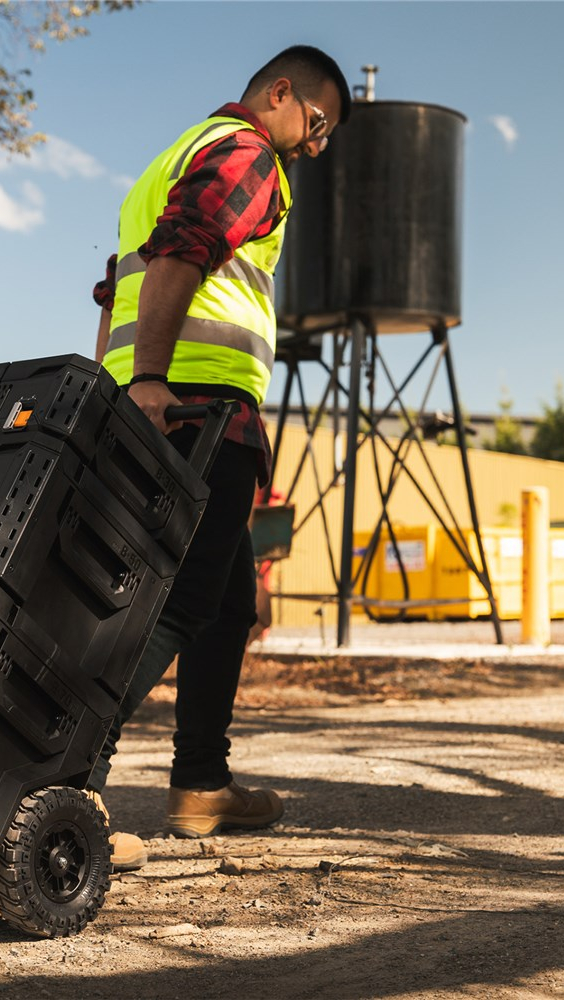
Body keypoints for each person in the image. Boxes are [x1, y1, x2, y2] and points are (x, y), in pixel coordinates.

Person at [88, 45, 350, 870]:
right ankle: (58, 776)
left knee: (229, 598)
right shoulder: (246, 154)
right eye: (316, 123)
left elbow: (111, 294)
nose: (316, 146)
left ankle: (201, 783)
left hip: (165, 404)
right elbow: (180, 257)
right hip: (194, 409)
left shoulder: (175, 157)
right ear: (280, 95)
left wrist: (115, 391)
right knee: (180, 596)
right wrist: (153, 382)